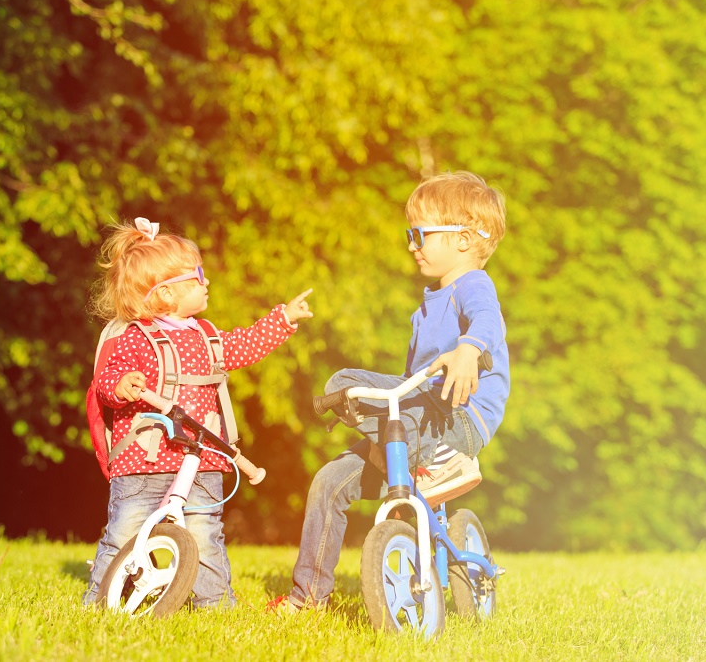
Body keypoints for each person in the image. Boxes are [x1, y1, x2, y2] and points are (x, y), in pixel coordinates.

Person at [269, 171, 509, 613]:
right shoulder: (425, 307)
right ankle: (309, 598)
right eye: (409, 233)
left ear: (463, 240)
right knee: (331, 466)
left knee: (358, 390)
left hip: (459, 417)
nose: (412, 243)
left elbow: (487, 323)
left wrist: (468, 350)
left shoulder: (473, 285)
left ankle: (440, 465)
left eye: (420, 234)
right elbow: (408, 379)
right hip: (417, 417)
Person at [83, 217, 313, 608]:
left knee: (205, 533)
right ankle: (100, 602)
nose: (206, 281)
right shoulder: (133, 337)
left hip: (202, 458)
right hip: (143, 463)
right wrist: (121, 386)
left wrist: (283, 320)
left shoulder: (204, 336)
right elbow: (107, 379)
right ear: (167, 294)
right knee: (124, 532)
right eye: (198, 276)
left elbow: (243, 345)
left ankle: (215, 605)